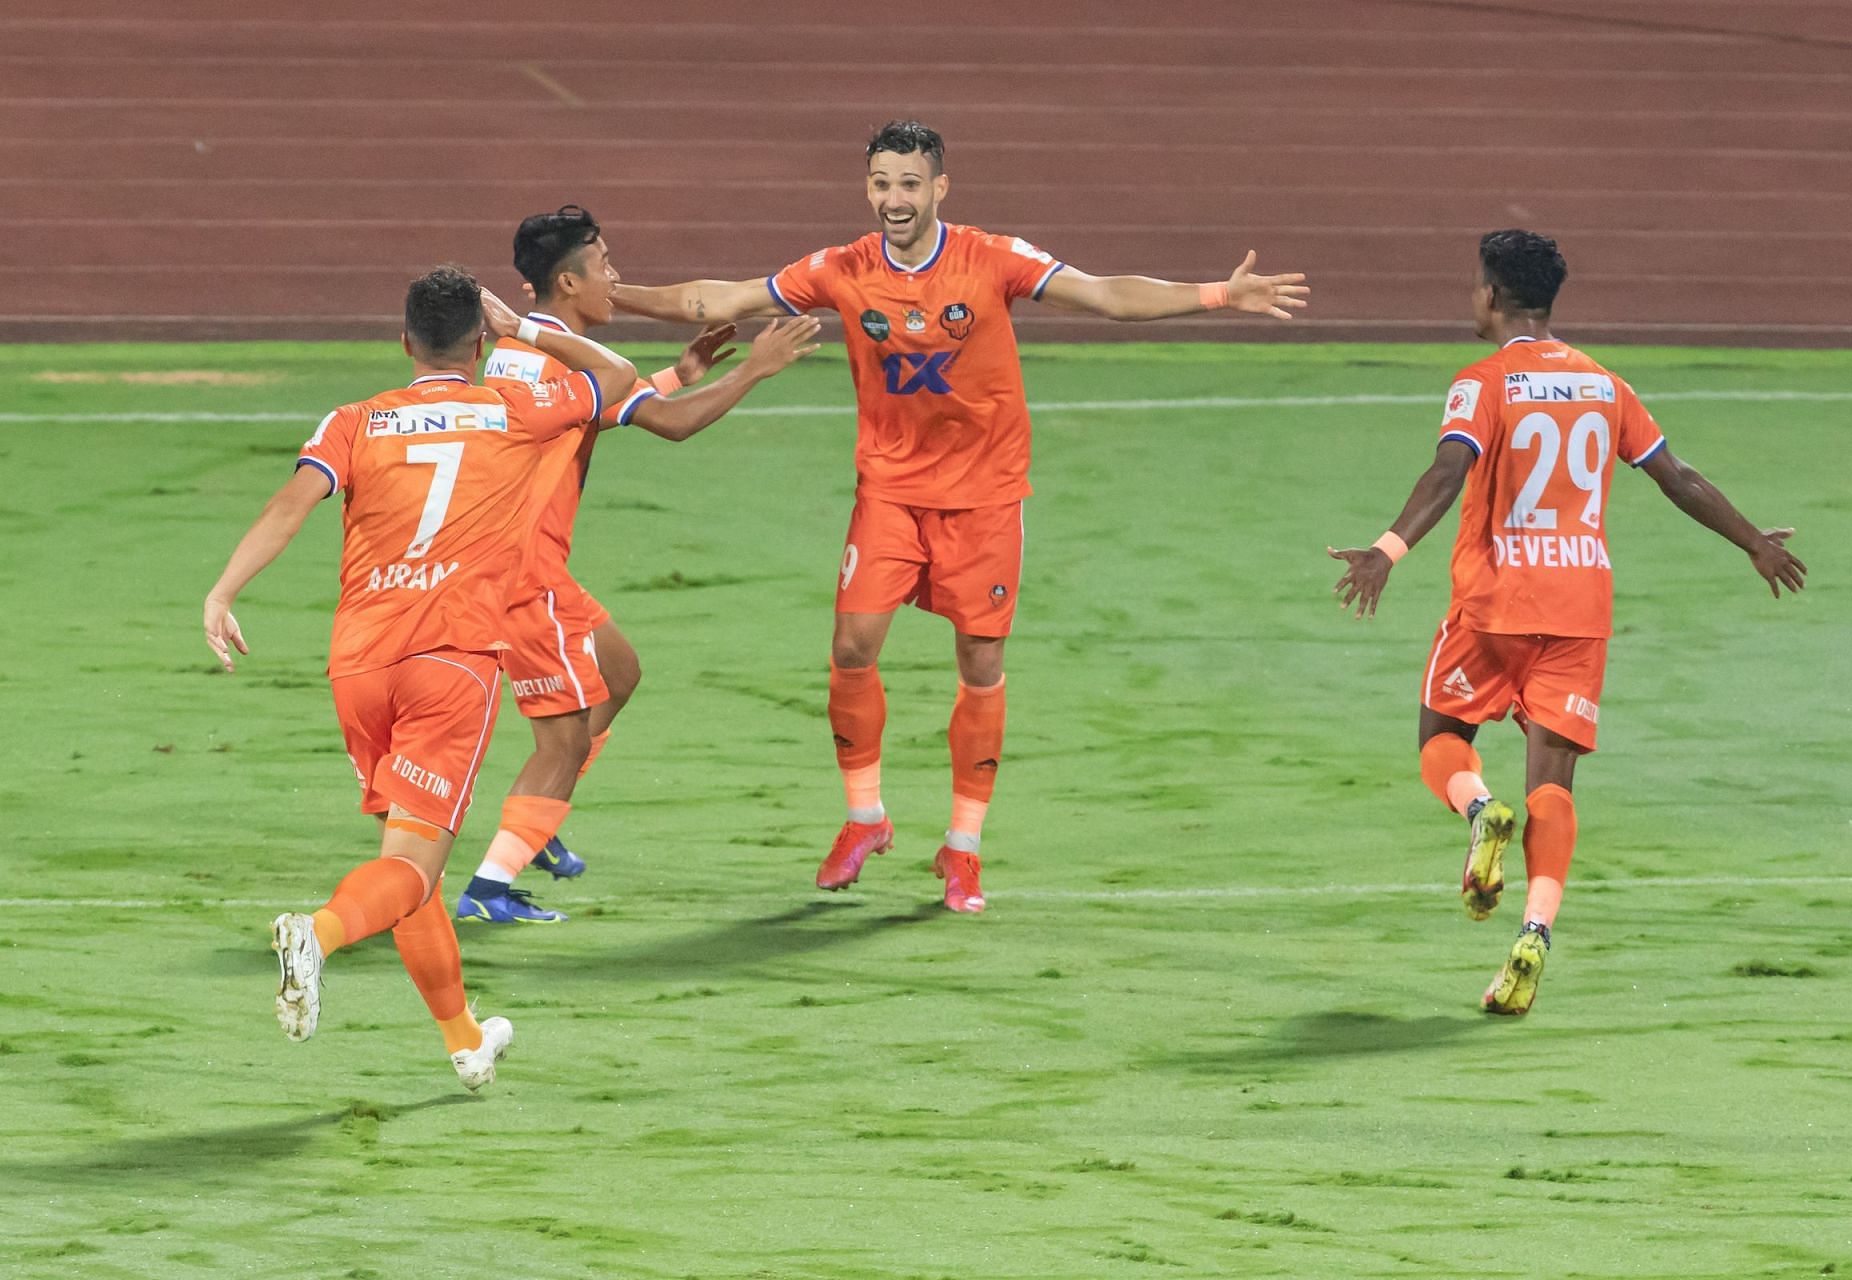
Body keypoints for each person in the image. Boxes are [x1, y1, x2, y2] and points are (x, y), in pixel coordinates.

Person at [606, 120, 1310, 912]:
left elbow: (1107, 294)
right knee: (851, 645)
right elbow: (717, 298)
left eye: (909, 184)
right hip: (891, 495)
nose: (894, 200)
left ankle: (963, 847)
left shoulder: (991, 257)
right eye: (881, 184)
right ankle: (864, 818)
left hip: (985, 500)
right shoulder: (842, 268)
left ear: (941, 187)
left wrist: (1219, 294)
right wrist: (607, 296)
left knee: (980, 665)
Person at [1327, 229, 1806, 1014]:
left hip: (1494, 606)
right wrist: (1753, 541)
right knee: (1554, 782)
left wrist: (1387, 550)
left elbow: (1449, 469)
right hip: (1581, 610)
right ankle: (1535, 935)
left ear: (1489, 294)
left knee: (1442, 738)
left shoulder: (1483, 382)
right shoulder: (1604, 384)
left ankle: (1480, 811)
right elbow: (1675, 477)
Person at [201, 265, 636, 1085]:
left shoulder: (355, 421)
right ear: (479, 342)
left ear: (403, 343)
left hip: (359, 665)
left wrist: (225, 590)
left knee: (411, 862)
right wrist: (525, 328)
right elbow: (613, 376)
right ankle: (319, 935)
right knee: (411, 866)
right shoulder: (512, 409)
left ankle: (465, 1041)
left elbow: (291, 503)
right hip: (451, 666)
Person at [456, 205, 822, 924]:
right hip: (523, 574)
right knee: (560, 743)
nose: (616, 280)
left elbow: (600, 403)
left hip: (520, 565)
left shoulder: (538, 353)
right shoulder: (548, 356)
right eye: (606, 266)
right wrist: (755, 368)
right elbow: (670, 425)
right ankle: (489, 887)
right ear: (567, 281)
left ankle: (539, 820)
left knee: (618, 672)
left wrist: (681, 370)